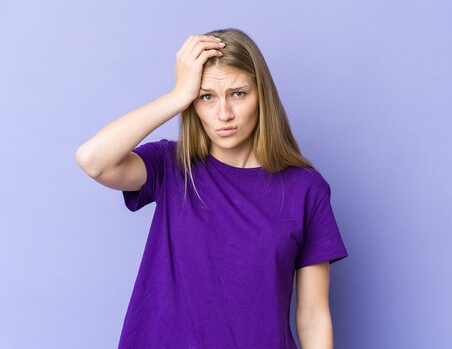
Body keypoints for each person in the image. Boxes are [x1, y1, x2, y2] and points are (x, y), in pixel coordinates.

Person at [75, 27, 349, 348]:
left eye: (238, 94)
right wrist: (178, 95)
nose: (224, 114)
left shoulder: (305, 189)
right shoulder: (173, 166)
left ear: (262, 96)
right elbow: (93, 159)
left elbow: (314, 317)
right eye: (207, 97)